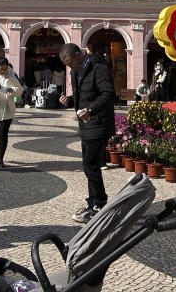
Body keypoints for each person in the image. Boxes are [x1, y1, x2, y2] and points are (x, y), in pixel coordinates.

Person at [59, 43, 115, 224]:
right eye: (66, 64)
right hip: (87, 124)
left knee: (91, 164)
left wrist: (90, 109)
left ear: (78, 54)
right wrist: (71, 100)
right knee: (88, 165)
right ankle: (93, 202)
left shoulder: (98, 67)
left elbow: (107, 94)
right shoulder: (75, 71)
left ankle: (99, 203)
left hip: (99, 122)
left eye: (70, 62)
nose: (70, 66)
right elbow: (84, 96)